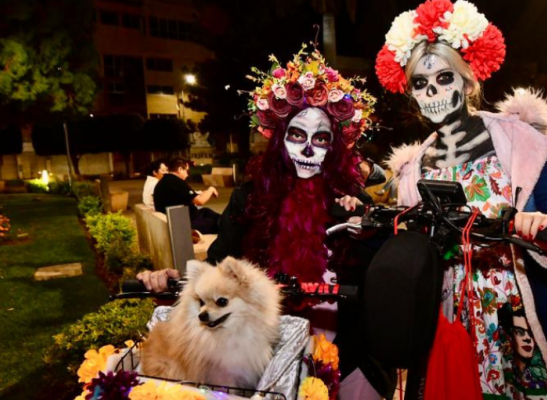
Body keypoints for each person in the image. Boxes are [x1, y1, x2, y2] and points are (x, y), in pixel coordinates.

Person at [376, 1, 547, 398]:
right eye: (420, 82)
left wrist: (546, 226)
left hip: (520, 308)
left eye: (444, 77)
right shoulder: (412, 168)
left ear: (467, 83)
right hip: (449, 311)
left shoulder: (520, 141)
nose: (432, 91)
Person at [139, 50, 391, 399]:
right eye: (297, 136)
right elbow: (217, 268)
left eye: (320, 139)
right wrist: (173, 278)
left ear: (334, 147)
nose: (306, 149)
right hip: (265, 363)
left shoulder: (351, 202)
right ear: (278, 141)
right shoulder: (250, 199)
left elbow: (380, 288)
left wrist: (364, 230)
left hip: (345, 359)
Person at [151, 157, 221, 234]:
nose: (187, 175)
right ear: (180, 169)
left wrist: (206, 192)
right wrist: (211, 189)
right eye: (186, 171)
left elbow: (194, 196)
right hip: (185, 222)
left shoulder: (165, 181)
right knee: (222, 224)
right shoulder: (176, 182)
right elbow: (200, 201)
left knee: (207, 212)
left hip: (183, 217)